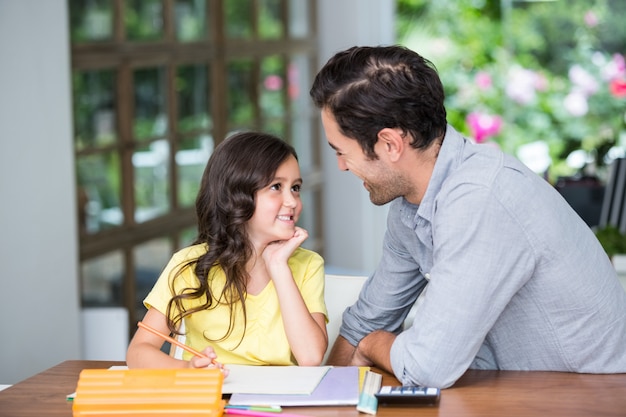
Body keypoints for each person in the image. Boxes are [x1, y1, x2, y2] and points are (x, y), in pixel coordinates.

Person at [310, 45, 626, 388]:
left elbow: (426, 366)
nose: (341, 166)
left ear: (390, 144)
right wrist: (321, 396)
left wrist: (373, 345)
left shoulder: (480, 197)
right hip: (512, 388)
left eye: (342, 151)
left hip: (594, 393)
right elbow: (367, 321)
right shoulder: (409, 208)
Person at [126, 131, 328, 369]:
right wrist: (187, 369)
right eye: (276, 187)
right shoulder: (189, 264)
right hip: (210, 397)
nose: (292, 201)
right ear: (236, 196)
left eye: (295, 188)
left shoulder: (308, 264)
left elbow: (311, 357)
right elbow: (138, 352)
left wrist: (278, 266)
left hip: (276, 402)